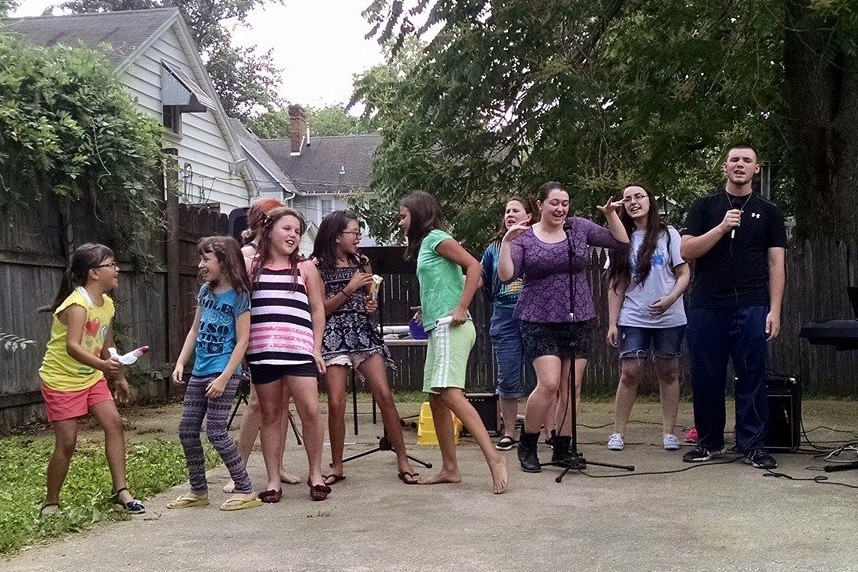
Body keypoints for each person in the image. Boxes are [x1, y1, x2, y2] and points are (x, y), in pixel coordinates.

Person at [497, 182, 629, 472]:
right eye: (554, 203)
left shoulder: (578, 228)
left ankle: (563, 448)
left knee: (572, 385)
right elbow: (507, 276)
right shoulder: (524, 237)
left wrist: (609, 215)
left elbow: (620, 241)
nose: (560, 208)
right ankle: (528, 444)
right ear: (540, 205)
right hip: (538, 317)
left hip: (578, 316)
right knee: (550, 384)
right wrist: (506, 243)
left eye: (565, 203)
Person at [680, 144, 786, 469]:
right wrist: (722, 227)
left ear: (757, 168)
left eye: (747, 160)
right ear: (725, 166)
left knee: (752, 375)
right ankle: (710, 442)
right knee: (706, 376)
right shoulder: (704, 206)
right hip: (706, 305)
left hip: (752, 304)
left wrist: (775, 310)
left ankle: (752, 445)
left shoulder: (770, 211)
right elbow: (686, 251)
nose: (740, 164)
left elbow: (776, 264)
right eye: (734, 159)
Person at [399, 191, 508, 494]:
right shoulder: (426, 246)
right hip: (439, 327)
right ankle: (449, 469)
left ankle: (494, 458)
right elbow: (448, 281)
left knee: (450, 393)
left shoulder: (436, 237)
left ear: (418, 214)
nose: (401, 222)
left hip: (453, 326)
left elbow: (475, 268)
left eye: (404, 215)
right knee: (435, 397)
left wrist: (461, 307)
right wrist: (428, 307)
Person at [312, 210, 419, 484]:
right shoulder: (317, 266)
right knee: (336, 402)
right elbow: (320, 309)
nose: (358, 237)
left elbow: (370, 300)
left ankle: (403, 460)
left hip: (363, 331)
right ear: (337, 237)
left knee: (384, 395)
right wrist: (348, 290)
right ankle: (337, 466)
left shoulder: (363, 262)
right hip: (334, 334)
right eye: (354, 232)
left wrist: (370, 304)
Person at [37, 243, 145, 515]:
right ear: (94, 273)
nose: (117, 269)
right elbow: (72, 346)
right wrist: (103, 366)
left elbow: (107, 343)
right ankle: (51, 502)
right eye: (112, 265)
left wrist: (117, 375)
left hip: (91, 378)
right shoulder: (77, 304)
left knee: (114, 424)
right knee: (67, 443)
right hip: (61, 380)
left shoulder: (106, 304)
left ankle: (121, 491)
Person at [168, 236, 262, 511]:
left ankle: (245, 489)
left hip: (224, 371)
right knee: (187, 431)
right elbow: (195, 329)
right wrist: (181, 362)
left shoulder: (240, 296)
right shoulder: (205, 292)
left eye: (206, 259)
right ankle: (198, 491)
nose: (200, 264)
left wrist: (224, 377)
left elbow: (243, 341)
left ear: (224, 261)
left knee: (217, 432)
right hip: (200, 370)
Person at [246, 206, 330, 501]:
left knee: (310, 410)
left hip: (299, 349)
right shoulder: (251, 265)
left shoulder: (306, 268)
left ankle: (316, 474)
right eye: (287, 228)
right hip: (262, 351)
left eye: (297, 231)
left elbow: (318, 308)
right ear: (269, 230)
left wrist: (316, 348)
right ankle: (272, 481)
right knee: (270, 414)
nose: (294, 234)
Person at [223, 198, 302, 494]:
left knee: (281, 406)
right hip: (256, 339)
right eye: (279, 220)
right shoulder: (247, 254)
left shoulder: (284, 255)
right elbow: (238, 301)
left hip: (281, 340)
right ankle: (238, 469)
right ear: (264, 222)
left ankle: (277, 466)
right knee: (257, 404)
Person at [605, 185, 690, 451]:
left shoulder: (669, 234)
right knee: (630, 372)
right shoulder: (620, 238)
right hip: (633, 316)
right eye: (627, 198)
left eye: (639, 196)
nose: (633, 202)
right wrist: (612, 322)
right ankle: (618, 432)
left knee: (668, 371)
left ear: (650, 201)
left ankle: (669, 433)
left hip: (670, 317)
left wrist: (671, 299)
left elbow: (684, 273)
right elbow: (617, 284)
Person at [480, 197, 536, 451]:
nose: (510, 214)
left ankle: (545, 430)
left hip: (536, 315)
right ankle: (510, 431)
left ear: (529, 215)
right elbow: (482, 280)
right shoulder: (493, 248)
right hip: (504, 314)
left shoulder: (538, 242)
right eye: (507, 211)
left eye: (516, 210)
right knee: (508, 376)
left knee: (543, 376)